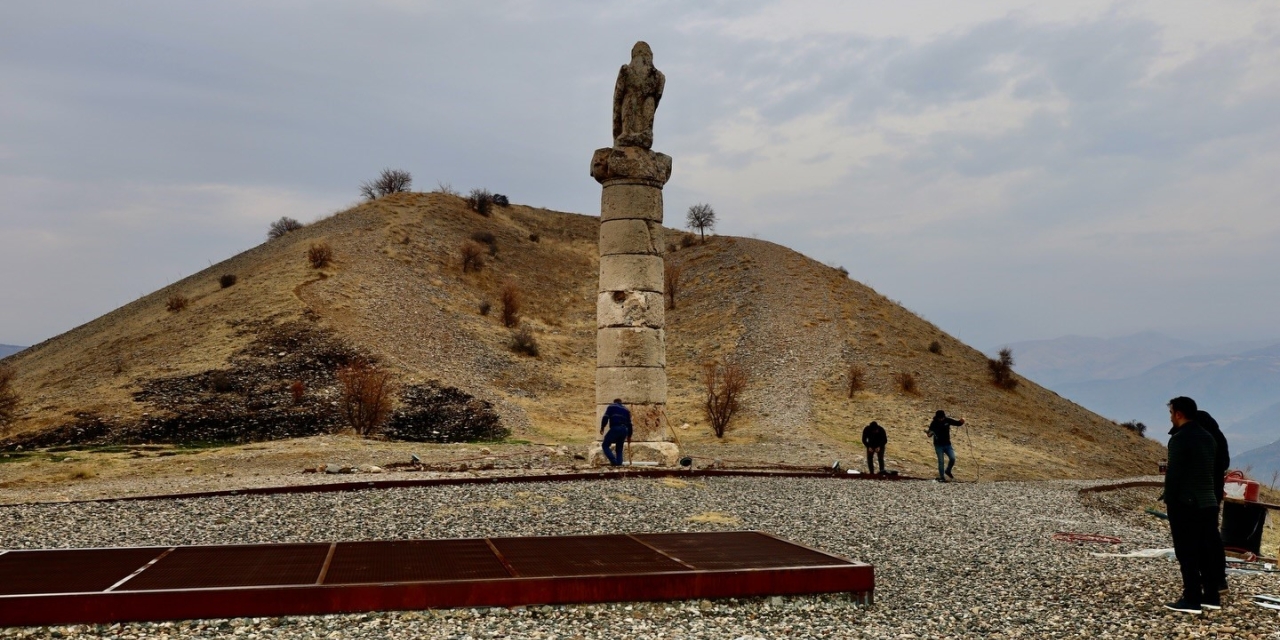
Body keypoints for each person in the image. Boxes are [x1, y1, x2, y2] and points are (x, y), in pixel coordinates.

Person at [1161, 396, 1221, 613]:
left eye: (1171, 413)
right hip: (1209, 501)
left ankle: (1191, 598)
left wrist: (1169, 498)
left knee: (1186, 551)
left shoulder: (1179, 439)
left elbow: (1174, 474)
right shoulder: (1208, 437)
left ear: (1179, 414)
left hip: (1186, 502)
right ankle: (1211, 596)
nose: (1171, 418)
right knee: (1206, 550)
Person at [1196, 409, 1230, 593]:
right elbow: (1224, 464)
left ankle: (1213, 579)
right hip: (1214, 493)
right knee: (1210, 535)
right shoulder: (1218, 437)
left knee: (1206, 536)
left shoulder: (1206, 439)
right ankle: (1216, 578)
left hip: (1204, 494)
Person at [926, 410, 965, 482]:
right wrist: (929, 433)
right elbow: (929, 434)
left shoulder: (947, 420)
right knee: (941, 461)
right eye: (940, 418)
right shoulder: (934, 423)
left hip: (947, 444)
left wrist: (962, 421)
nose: (941, 419)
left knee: (952, 458)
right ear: (937, 417)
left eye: (942, 418)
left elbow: (957, 423)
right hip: (938, 445)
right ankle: (942, 477)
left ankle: (948, 470)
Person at [599, 399, 632, 467]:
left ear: (614, 402)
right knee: (619, 448)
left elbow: (605, 417)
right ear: (621, 402)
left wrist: (602, 427)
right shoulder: (626, 410)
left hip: (616, 428)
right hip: (624, 430)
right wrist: (629, 436)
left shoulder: (611, 406)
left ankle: (614, 462)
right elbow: (630, 424)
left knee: (605, 445)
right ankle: (619, 464)